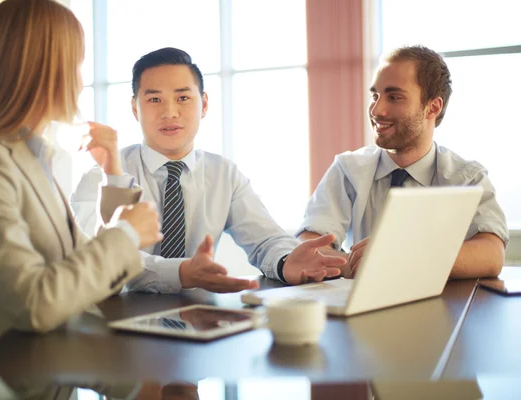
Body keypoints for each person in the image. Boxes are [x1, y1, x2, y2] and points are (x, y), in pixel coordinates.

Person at [0, 1, 160, 398]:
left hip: (44, 375)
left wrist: (114, 171)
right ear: (41, 68)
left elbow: (91, 281)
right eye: (76, 64)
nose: (81, 81)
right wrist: (125, 234)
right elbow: (36, 303)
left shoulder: (37, 156)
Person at [71, 47, 346, 293]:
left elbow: (265, 239)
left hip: (197, 318)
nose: (169, 112)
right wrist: (180, 273)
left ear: (203, 104)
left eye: (182, 98)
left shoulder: (224, 174)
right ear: (135, 108)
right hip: (117, 321)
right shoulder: (103, 176)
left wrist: (286, 261)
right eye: (154, 100)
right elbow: (95, 258)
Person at [297, 45, 508, 279]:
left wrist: (402, 257)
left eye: (394, 97)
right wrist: (356, 264)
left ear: (433, 107)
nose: (377, 109)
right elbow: (311, 244)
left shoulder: (467, 177)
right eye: (375, 95)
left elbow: (491, 255)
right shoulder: (348, 169)